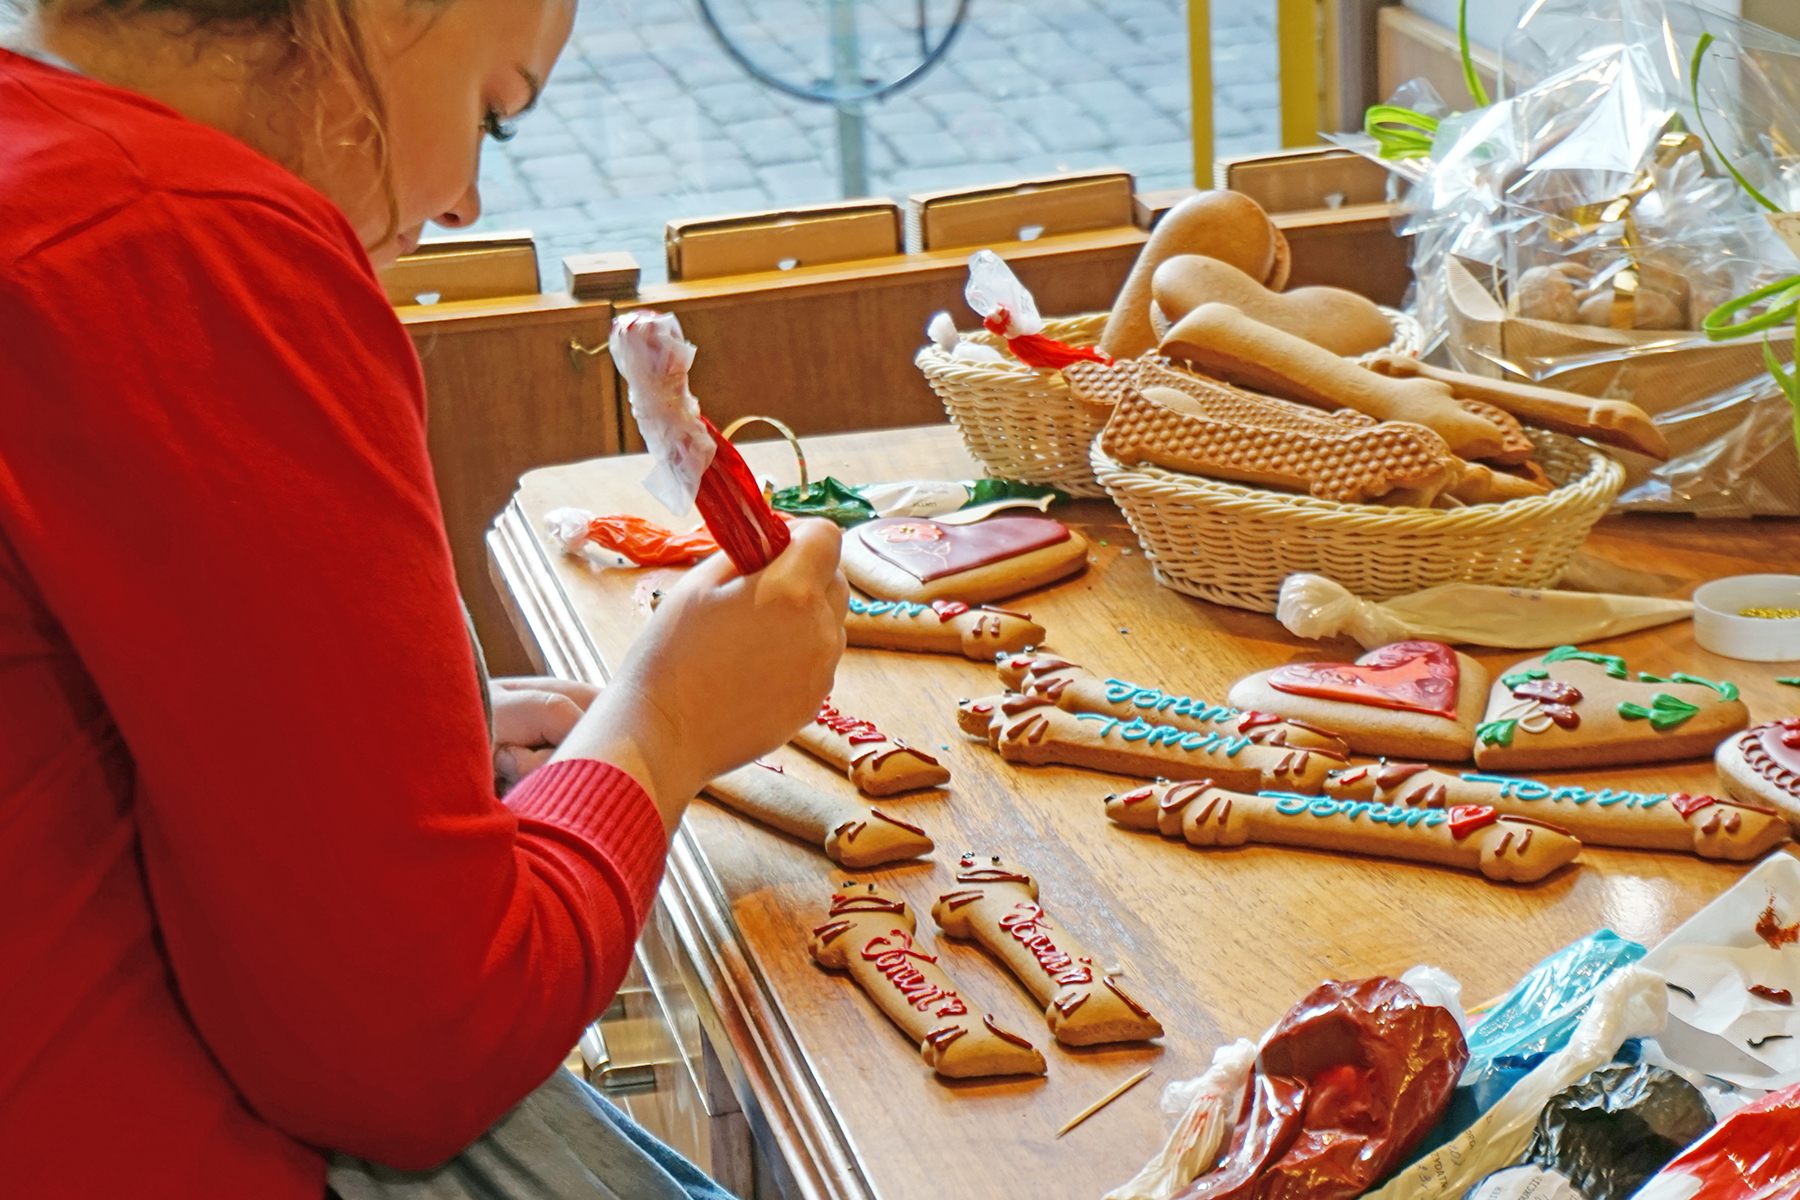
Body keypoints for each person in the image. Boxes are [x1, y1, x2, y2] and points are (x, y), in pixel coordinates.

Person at [0, 2, 849, 1197]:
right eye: (494, 116)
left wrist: (356, 756)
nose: (461, 204)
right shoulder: (186, 241)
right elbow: (418, 1048)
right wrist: (666, 727)